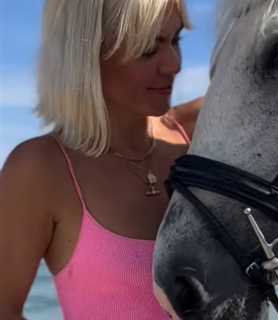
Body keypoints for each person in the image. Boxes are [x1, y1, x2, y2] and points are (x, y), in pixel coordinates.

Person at [0, 0, 203, 319]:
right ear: (87, 55)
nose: (173, 64)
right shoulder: (40, 169)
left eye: (175, 40)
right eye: (149, 48)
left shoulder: (206, 130)